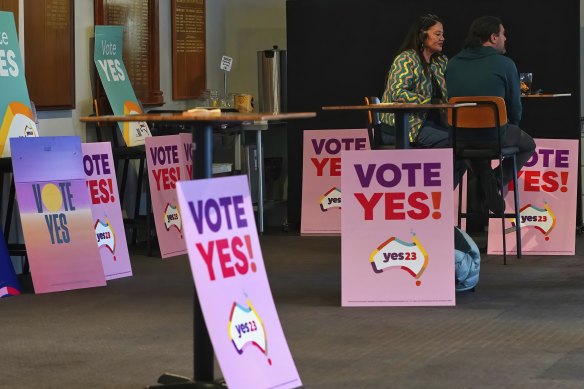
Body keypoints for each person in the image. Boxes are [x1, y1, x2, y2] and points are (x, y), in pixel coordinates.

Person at [445, 16, 536, 214]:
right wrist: (509, 126)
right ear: (494, 37)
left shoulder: (452, 64)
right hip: (493, 135)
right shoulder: (505, 64)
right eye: (503, 34)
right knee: (528, 144)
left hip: (458, 138)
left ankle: (484, 177)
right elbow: (515, 108)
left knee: (474, 143)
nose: (505, 39)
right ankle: (494, 180)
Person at [379, 14, 465, 187]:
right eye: (437, 34)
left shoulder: (440, 61)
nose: (443, 38)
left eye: (443, 34)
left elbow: (451, 90)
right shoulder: (406, 59)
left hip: (431, 124)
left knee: (468, 141)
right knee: (457, 143)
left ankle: (442, 190)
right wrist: (429, 100)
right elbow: (398, 92)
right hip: (403, 127)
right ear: (422, 35)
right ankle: (437, 190)